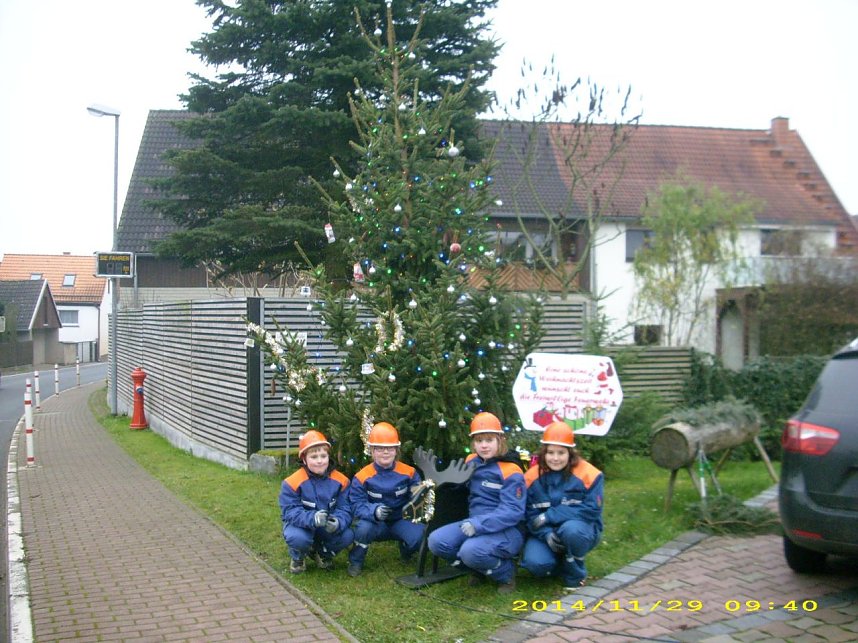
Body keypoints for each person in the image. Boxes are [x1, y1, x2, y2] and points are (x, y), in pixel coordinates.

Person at [427, 412, 525, 594]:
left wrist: (478, 525)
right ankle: (478, 569)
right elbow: (460, 487)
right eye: (479, 441)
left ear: (500, 440)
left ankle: (505, 573)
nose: (484, 445)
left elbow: (512, 511)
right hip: (474, 523)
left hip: (506, 530)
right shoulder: (471, 461)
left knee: (470, 552)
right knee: (437, 541)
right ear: (473, 443)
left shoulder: (512, 470)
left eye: (489, 440)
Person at [520, 421, 604, 590]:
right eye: (550, 452)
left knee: (571, 531)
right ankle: (559, 563)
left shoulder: (590, 474)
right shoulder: (531, 477)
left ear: (570, 453)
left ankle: (575, 575)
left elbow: (591, 509)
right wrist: (546, 534)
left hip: (580, 529)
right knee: (536, 564)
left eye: (561, 452)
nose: (555, 458)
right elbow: (529, 515)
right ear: (544, 453)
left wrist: (550, 516)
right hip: (546, 532)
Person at [347, 422, 425, 577]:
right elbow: (356, 504)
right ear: (372, 451)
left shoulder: (409, 472)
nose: (385, 452)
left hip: (401, 520)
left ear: (396, 450)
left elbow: (417, 500)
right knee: (362, 530)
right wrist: (373, 511)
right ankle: (356, 561)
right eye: (380, 448)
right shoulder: (362, 477)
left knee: (418, 536)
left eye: (390, 448)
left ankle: (406, 550)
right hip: (375, 523)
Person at [279, 430, 354, 573]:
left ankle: (322, 553)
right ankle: (298, 557)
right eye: (314, 457)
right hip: (301, 526)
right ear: (304, 460)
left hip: (326, 526)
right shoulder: (291, 482)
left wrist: (338, 521)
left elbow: (346, 509)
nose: (319, 461)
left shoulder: (342, 481)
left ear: (328, 457)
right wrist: (312, 518)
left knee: (348, 535)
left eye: (323, 456)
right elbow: (289, 512)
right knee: (298, 538)